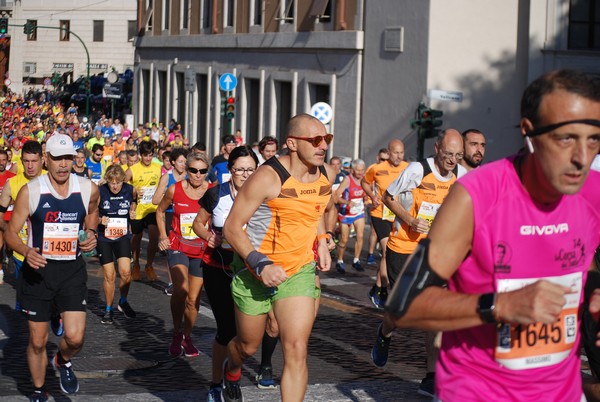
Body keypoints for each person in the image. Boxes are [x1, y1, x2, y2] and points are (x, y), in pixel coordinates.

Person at [385, 69, 600, 400]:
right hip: (479, 390)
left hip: (560, 392)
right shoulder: (476, 196)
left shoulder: (593, 194)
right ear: (528, 132)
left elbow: (582, 261)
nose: (582, 158)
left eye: (593, 139)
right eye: (565, 138)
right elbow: (403, 305)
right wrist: (499, 305)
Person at [221, 114, 334, 402]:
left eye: (327, 139)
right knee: (248, 345)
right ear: (292, 144)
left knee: (296, 348)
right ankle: (231, 370)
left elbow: (316, 208)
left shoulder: (325, 175)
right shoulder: (267, 178)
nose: (323, 146)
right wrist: (260, 263)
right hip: (254, 270)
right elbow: (232, 227)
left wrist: (321, 239)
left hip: (298, 270)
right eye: (316, 140)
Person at [370, 129, 466, 397]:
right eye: (448, 154)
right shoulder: (417, 170)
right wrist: (411, 221)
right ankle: (385, 331)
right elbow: (388, 197)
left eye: (458, 155)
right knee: (402, 311)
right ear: (437, 149)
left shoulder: (461, 174)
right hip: (403, 247)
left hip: (435, 250)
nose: (452, 160)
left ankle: (431, 375)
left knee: (433, 313)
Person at [5, 133, 99, 402]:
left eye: (67, 157)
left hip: (71, 270)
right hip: (39, 272)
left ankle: (62, 358)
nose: (63, 164)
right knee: (37, 340)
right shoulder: (31, 191)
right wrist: (25, 251)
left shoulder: (87, 188)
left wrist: (90, 232)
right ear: (47, 159)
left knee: (76, 337)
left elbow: (93, 211)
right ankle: (38, 391)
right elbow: (11, 233)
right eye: (57, 158)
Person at [192, 145, 258, 402]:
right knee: (227, 330)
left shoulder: (263, 196)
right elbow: (198, 223)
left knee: (249, 334)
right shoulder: (215, 194)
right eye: (240, 169)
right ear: (230, 170)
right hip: (218, 269)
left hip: (250, 272)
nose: (245, 174)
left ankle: (233, 371)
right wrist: (208, 235)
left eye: (250, 169)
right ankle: (217, 383)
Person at [157, 151, 209, 358]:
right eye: (194, 170)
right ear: (186, 170)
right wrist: (163, 236)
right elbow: (160, 211)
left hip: (201, 249)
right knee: (181, 290)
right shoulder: (174, 189)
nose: (198, 175)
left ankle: (187, 336)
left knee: (193, 299)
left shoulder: (212, 191)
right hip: (178, 245)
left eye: (202, 171)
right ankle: (177, 333)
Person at [361, 139, 408, 309]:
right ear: (388, 153)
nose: (399, 156)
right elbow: (364, 182)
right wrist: (372, 197)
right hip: (380, 213)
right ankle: (383, 290)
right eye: (396, 152)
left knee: (391, 253)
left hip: (398, 214)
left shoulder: (407, 168)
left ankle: (378, 286)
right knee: (387, 250)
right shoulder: (377, 168)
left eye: (401, 153)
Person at [97, 165, 137, 324]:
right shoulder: (100, 191)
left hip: (122, 236)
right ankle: (108, 309)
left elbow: (134, 202)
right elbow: (91, 212)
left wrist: (133, 210)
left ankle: (123, 301)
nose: (114, 186)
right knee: (110, 275)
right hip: (104, 237)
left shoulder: (130, 189)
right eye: (112, 183)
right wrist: (100, 220)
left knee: (126, 272)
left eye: (118, 183)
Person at [152, 148, 188, 295]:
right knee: (172, 250)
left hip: (186, 216)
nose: (183, 165)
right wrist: (172, 199)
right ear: (173, 162)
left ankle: (187, 278)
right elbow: (155, 200)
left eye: (185, 162)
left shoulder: (190, 176)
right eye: (180, 162)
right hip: (170, 216)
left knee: (187, 247)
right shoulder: (167, 178)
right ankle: (172, 282)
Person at [125, 140, 161, 281]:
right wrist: (133, 190)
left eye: (150, 155)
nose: (147, 158)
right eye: (145, 155)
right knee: (136, 239)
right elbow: (123, 183)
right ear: (141, 155)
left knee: (153, 237)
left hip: (152, 208)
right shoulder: (133, 169)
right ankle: (136, 265)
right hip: (138, 208)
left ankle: (149, 266)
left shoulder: (158, 168)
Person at [333, 157, 367, 274]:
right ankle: (340, 260)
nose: (361, 173)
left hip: (358, 212)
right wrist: (347, 202)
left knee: (360, 236)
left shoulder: (364, 179)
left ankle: (356, 260)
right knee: (344, 239)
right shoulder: (347, 180)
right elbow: (336, 196)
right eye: (358, 170)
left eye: (362, 170)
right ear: (352, 170)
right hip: (346, 212)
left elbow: (367, 193)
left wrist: (367, 199)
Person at [366, 148, 390, 265]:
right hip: (375, 204)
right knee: (374, 231)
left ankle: (383, 252)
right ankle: (370, 254)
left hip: (389, 207)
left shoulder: (391, 169)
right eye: (382, 159)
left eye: (387, 159)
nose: (384, 161)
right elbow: (366, 184)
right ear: (377, 158)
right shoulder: (372, 168)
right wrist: (371, 197)